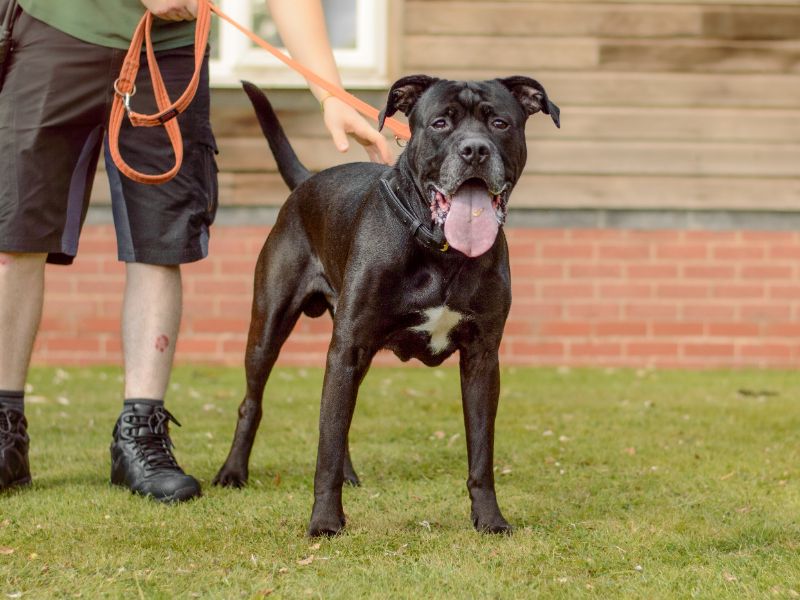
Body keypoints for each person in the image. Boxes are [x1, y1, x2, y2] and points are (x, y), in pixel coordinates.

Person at [0, 0, 391, 502]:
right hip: (57, 29)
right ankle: (5, 431)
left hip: (169, 49)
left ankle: (139, 434)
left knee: (160, 242)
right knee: (13, 236)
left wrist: (329, 93)